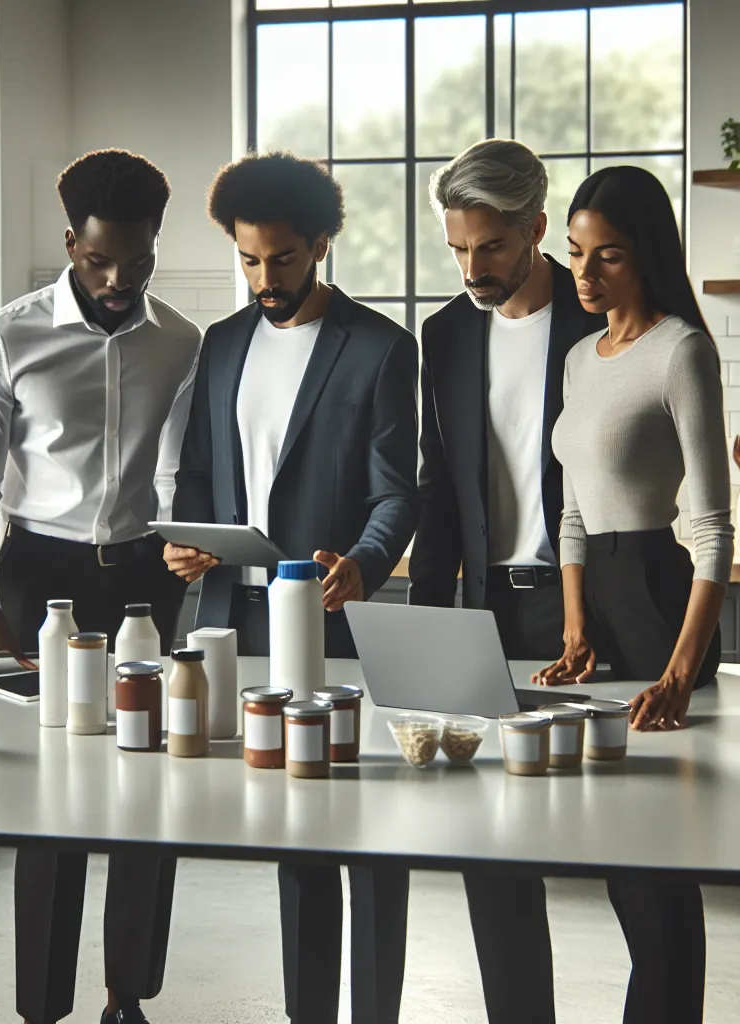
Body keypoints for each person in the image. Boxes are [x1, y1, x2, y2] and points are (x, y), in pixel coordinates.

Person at [0, 149, 201, 1024]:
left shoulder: (180, 342)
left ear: (156, 244)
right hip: (35, 580)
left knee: (146, 793)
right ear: (70, 243)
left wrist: (190, 542)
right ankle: (42, 1008)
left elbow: (177, 477)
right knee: (47, 805)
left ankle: (128, 994)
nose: (120, 278)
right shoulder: (6, 337)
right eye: (100, 261)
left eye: (137, 260)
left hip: (142, 583)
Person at [164, 151, 417, 1024]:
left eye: (281, 260)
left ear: (320, 245)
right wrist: (191, 543)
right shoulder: (223, 343)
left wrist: (367, 561)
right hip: (234, 626)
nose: (263, 279)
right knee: (290, 837)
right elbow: (198, 476)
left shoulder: (381, 347)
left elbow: (396, 491)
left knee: (366, 833)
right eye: (247, 259)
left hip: (335, 622)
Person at [536, 164, 733, 1022]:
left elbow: (714, 528)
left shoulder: (680, 350)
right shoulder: (582, 358)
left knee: (660, 855)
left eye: (608, 255)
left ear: (648, 253)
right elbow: (573, 515)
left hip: (661, 603)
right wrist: (575, 627)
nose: (585, 274)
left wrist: (682, 669)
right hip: (603, 610)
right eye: (577, 253)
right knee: (619, 846)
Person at [408, 138, 604, 660]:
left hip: (590, 603)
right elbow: (439, 486)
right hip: (482, 606)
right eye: (458, 249)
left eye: (491, 246)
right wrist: (424, 620)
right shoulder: (445, 334)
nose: (472, 270)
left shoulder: (597, 322)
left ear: (536, 230)